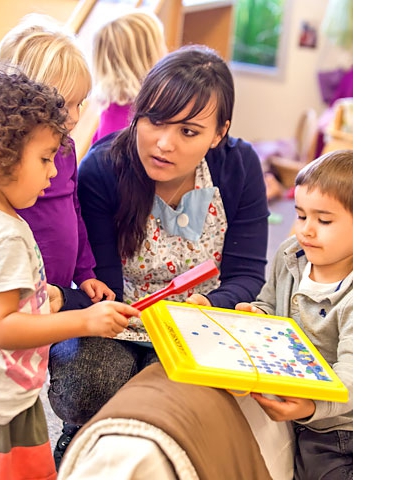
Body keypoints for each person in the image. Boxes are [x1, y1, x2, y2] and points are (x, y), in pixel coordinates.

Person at [47, 44, 271, 465]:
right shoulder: (104, 167)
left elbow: (246, 274)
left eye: (189, 131)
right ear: (138, 110)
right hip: (117, 319)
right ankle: (80, 437)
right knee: (91, 382)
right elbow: (102, 287)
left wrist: (212, 303)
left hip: (200, 320)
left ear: (219, 133)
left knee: (210, 401)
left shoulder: (238, 165)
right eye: (154, 121)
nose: (164, 144)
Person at [0, 69, 140, 480]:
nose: (53, 172)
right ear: (1, 154)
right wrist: (84, 320)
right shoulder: (4, 235)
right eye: (44, 159)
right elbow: (0, 326)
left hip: (12, 396)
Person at [236, 149, 353, 479]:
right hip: (295, 399)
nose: (307, 230)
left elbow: (354, 375)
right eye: (301, 215)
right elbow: (269, 304)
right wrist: (255, 313)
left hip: (342, 427)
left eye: (324, 220)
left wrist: (314, 405)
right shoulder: (290, 256)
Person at [0, 15, 114, 303]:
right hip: (16, 292)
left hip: (56, 293)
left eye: (80, 103)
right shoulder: (8, 166)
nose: (74, 117)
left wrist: (85, 273)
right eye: (63, 105)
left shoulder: (68, 150)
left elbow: (74, 210)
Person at [90, 9, 167, 144]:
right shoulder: (145, 116)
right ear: (148, 57)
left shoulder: (110, 109)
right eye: (162, 44)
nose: (166, 51)